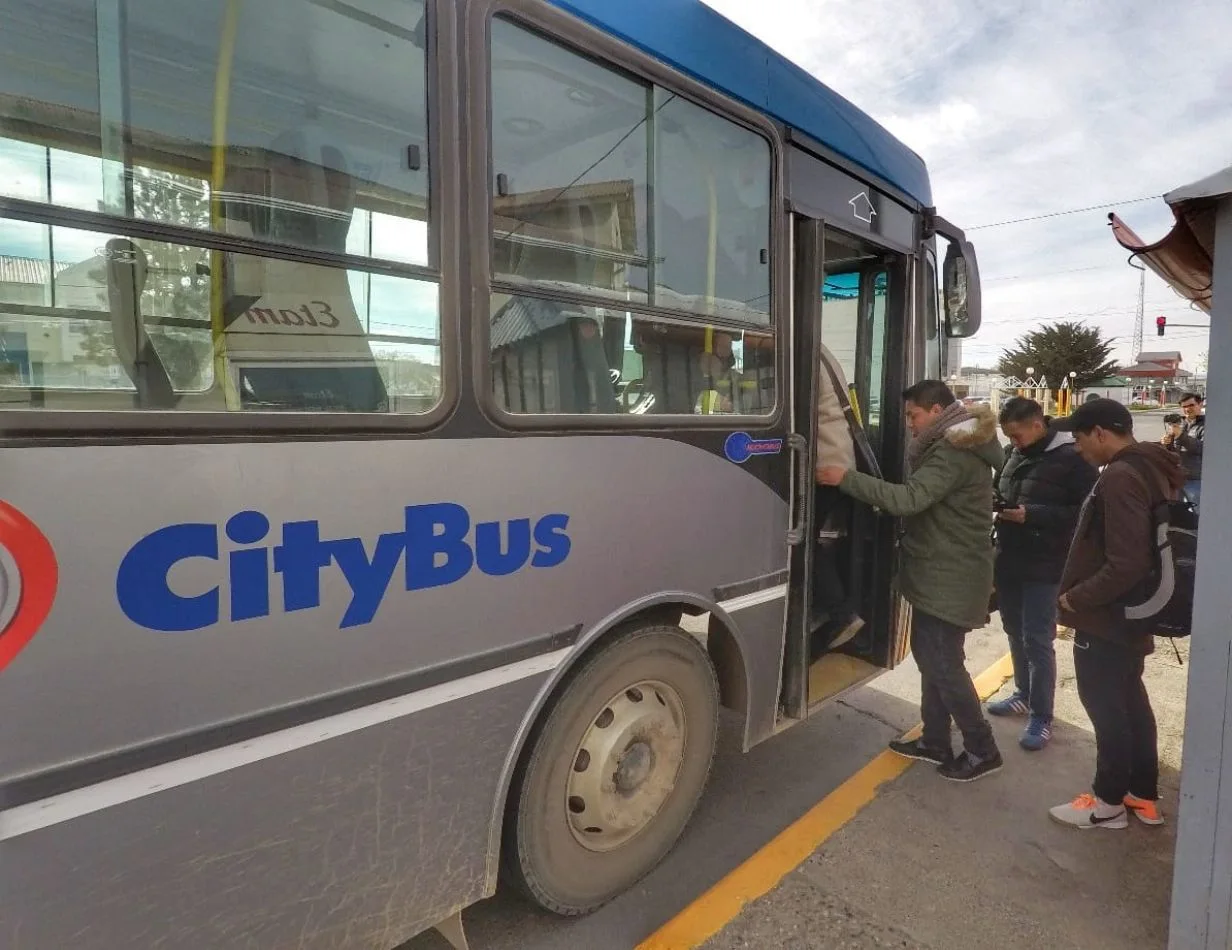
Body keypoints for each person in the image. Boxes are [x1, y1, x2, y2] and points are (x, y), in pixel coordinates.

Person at [819, 379, 1004, 782]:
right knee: (931, 660)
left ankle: (982, 748)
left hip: (950, 577)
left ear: (937, 412)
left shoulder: (954, 452)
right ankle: (935, 740)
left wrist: (844, 478)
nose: (909, 424)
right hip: (940, 573)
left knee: (945, 666)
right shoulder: (950, 445)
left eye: (913, 415)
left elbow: (909, 499)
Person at [1048, 399, 1184, 829]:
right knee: (1130, 702)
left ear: (1101, 433)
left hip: (1108, 615)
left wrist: (1075, 599)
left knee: (1106, 708)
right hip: (1133, 611)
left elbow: (1126, 562)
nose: (1077, 446)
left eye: (1080, 437)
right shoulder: (1151, 466)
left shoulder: (1121, 476)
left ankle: (1106, 804)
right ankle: (1141, 795)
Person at [987, 398, 1097, 751]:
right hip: (1010, 557)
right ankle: (1022, 692)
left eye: (1017, 435)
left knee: (1037, 638)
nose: (1013, 442)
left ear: (1037, 425)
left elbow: (1084, 515)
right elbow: (1004, 490)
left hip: (1047, 564)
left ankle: (1041, 715)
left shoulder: (1074, 458)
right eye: (1010, 437)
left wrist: (1031, 514)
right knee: (1014, 632)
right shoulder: (1013, 452)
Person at [810, 342, 863, 656]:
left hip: (827, 466)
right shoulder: (821, 350)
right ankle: (826, 611)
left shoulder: (802, 350)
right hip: (836, 461)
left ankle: (840, 614)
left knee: (806, 547)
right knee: (818, 543)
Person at [1162, 392, 1204, 511]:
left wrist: (1180, 436)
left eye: (1191, 405)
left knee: (1195, 514)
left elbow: (1203, 448)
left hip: (1195, 479)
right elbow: (1172, 450)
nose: (1187, 409)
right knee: (1179, 514)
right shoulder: (1179, 424)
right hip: (1177, 478)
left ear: (1200, 404)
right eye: (1184, 406)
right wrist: (1167, 443)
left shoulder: (1207, 425)